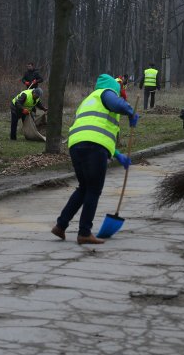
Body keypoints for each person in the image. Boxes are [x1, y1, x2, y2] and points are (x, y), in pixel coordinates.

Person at [51, 74, 139, 245]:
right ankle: (84, 232)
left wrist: (117, 154)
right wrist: (130, 111)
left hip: (76, 145)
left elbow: (96, 131)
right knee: (93, 189)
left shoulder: (88, 101)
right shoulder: (106, 93)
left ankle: (60, 226)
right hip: (93, 147)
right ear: (113, 87)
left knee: (84, 187)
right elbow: (116, 105)